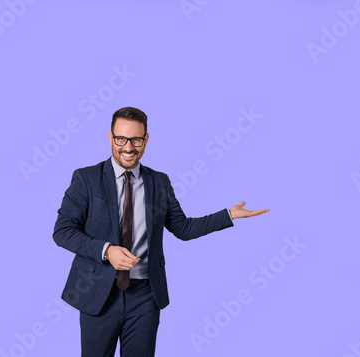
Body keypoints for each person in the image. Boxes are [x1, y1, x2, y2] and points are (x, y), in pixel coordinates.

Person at [53, 107, 269, 356]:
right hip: (97, 292)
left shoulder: (159, 182)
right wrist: (107, 250)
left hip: (145, 297)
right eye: (121, 139)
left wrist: (228, 215)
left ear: (146, 139)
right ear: (111, 137)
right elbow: (63, 231)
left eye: (136, 139)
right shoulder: (86, 178)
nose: (128, 147)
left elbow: (183, 228)